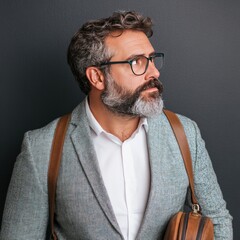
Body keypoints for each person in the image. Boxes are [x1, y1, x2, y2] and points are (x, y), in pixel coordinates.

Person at [0, 10, 233, 240]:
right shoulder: (40, 148)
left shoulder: (185, 134)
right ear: (97, 78)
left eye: (151, 59)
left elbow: (217, 220)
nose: (154, 72)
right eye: (136, 62)